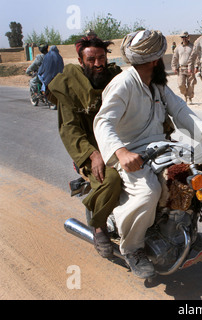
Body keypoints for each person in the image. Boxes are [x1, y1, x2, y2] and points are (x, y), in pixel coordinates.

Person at [93, 30, 202, 279]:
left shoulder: (157, 85)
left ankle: (184, 232)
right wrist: (121, 152)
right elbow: (103, 122)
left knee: (193, 178)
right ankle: (132, 249)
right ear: (155, 61)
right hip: (132, 153)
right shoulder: (124, 84)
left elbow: (181, 111)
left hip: (160, 148)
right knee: (149, 192)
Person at [48, 36, 123, 259]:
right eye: (91, 59)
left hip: (120, 142)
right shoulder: (69, 85)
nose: (98, 64)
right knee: (111, 179)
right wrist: (92, 154)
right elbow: (69, 128)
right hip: (91, 149)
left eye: (102, 57)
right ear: (81, 61)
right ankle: (98, 225)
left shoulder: (116, 78)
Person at [171, 31, 197, 104]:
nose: (184, 39)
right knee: (180, 84)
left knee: (191, 84)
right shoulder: (178, 48)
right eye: (182, 37)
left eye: (185, 37)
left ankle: (189, 97)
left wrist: (197, 66)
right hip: (181, 69)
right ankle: (185, 94)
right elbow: (175, 58)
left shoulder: (192, 47)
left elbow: (197, 57)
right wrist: (173, 66)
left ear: (188, 37)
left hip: (190, 68)